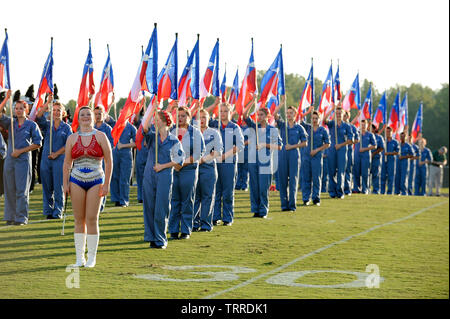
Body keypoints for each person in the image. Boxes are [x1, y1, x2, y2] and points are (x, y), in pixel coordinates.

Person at [63, 106, 112, 267]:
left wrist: (107, 184)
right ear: (78, 117)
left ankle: (91, 257)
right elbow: (67, 162)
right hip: (76, 179)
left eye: (88, 114)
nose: (85, 117)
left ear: (93, 117)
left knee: (92, 218)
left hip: (96, 179)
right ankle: (79, 258)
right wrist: (65, 183)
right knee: (78, 219)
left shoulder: (101, 136)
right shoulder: (71, 138)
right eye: (82, 114)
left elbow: (109, 161)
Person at [142, 110, 185, 249]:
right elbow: (144, 128)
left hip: (164, 175)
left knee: (162, 206)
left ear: (165, 121)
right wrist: (150, 110)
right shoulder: (152, 137)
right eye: (155, 119)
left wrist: (162, 166)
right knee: (149, 206)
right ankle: (151, 237)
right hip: (149, 174)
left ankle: (160, 239)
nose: (155, 121)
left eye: (158, 119)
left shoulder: (173, 140)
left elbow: (179, 160)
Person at [0, 91, 43, 226]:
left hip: (23, 160)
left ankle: (21, 218)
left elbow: (38, 143)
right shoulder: (10, 122)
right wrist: (7, 98)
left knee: (21, 190)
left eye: (21, 108)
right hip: (10, 161)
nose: (18, 111)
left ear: (27, 109)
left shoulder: (31, 125)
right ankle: (10, 217)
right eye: (16, 108)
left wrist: (21, 151)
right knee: (9, 190)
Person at [168, 106, 205, 240]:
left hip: (189, 169)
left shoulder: (195, 133)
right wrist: (174, 164)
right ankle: (173, 230)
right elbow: (168, 150)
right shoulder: (172, 132)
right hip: (174, 169)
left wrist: (182, 163)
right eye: (178, 116)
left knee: (187, 200)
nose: (180, 118)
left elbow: (198, 154)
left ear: (189, 117)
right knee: (174, 200)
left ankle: (185, 230)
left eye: (183, 115)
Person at [242, 101, 282, 218]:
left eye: (261, 115)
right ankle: (255, 209)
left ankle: (263, 210)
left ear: (268, 116)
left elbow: (279, 146)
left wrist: (265, 144)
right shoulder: (254, 127)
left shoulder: (272, 130)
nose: (259, 117)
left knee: (263, 187)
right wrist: (252, 100)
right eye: (258, 115)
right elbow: (244, 115)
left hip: (265, 162)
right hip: (253, 160)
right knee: (254, 187)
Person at [36, 96, 73, 219]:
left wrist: (56, 154)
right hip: (46, 160)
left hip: (59, 160)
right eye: (54, 110)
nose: (56, 113)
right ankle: (48, 211)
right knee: (46, 187)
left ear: (63, 113)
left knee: (58, 187)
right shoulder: (47, 125)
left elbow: (68, 144)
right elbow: (38, 116)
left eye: (59, 110)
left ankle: (58, 211)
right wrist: (47, 103)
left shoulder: (66, 128)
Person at [208, 102, 244, 225]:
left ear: (230, 112)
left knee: (228, 192)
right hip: (215, 163)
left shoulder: (234, 127)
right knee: (216, 191)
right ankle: (215, 216)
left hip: (229, 162)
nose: (223, 113)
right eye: (221, 111)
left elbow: (239, 146)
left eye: (225, 111)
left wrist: (224, 156)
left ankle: (228, 218)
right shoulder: (213, 125)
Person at [273, 102, 308, 212]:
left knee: (293, 180)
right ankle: (284, 205)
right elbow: (274, 114)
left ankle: (292, 205)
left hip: (293, 154)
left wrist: (293, 146)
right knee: (282, 180)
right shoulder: (283, 125)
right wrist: (282, 103)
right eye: (287, 113)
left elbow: (305, 143)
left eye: (291, 113)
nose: (288, 115)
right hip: (283, 154)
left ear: (295, 114)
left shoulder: (299, 128)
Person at [193, 108, 223, 232]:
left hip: (208, 168)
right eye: (199, 117)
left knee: (207, 197)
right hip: (193, 168)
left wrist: (203, 159)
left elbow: (218, 151)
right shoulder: (192, 133)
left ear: (209, 118)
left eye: (204, 117)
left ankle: (205, 224)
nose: (202, 120)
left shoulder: (214, 133)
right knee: (195, 196)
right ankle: (193, 224)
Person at [300, 110, 330, 206]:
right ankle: (306, 198)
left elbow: (327, 144)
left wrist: (317, 150)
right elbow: (300, 119)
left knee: (317, 178)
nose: (314, 120)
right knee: (306, 178)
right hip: (306, 156)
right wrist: (308, 111)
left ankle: (316, 198)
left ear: (319, 119)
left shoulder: (323, 130)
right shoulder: (307, 127)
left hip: (317, 157)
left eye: (316, 118)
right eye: (313, 118)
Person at [324, 105, 354, 199]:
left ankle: (340, 192)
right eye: (336, 113)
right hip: (332, 150)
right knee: (331, 171)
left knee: (341, 172)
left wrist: (341, 145)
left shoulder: (347, 126)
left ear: (343, 114)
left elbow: (351, 140)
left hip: (342, 150)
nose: (338, 115)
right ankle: (332, 191)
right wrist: (331, 110)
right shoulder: (332, 124)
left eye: (340, 113)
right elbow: (324, 120)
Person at [110, 120, 136, 207]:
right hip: (115, 154)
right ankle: (116, 199)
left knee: (124, 178)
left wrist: (123, 146)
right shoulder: (115, 125)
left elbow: (137, 143)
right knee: (114, 177)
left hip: (126, 154)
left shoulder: (131, 128)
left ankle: (124, 200)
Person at [93, 105, 114, 211]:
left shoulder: (108, 129)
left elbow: (111, 144)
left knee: (102, 181)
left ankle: (101, 205)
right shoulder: (91, 128)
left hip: (103, 159)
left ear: (104, 115)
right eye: (96, 114)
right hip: (92, 160)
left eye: (99, 114)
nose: (97, 116)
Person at [352, 119, 376, 194]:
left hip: (365, 156)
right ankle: (356, 188)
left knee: (365, 173)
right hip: (357, 155)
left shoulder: (370, 135)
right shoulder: (357, 133)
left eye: (364, 125)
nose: (363, 126)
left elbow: (374, 146)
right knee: (356, 172)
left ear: (367, 125)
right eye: (361, 125)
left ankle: (365, 188)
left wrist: (365, 149)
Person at [343, 110, 359, 196]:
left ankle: (347, 189)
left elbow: (357, 139)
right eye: (343, 116)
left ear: (348, 117)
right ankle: (340, 188)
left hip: (348, 151)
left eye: (345, 116)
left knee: (348, 170)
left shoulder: (352, 127)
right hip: (340, 151)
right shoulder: (339, 127)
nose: (344, 117)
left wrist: (349, 142)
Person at [381, 126, 399, 195]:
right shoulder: (383, 141)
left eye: (389, 132)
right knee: (383, 176)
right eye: (386, 132)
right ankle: (382, 191)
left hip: (391, 161)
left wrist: (389, 153)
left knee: (390, 177)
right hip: (383, 160)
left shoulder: (395, 142)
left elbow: (397, 152)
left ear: (392, 132)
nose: (387, 133)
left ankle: (390, 191)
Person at [395, 131, 414, 196]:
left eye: (404, 136)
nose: (402, 138)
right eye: (401, 136)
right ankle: (397, 192)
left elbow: (412, 155)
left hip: (404, 163)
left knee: (403, 179)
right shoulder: (398, 144)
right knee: (397, 178)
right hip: (398, 163)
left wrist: (404, 157)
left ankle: (404, 193)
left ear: (406, 137)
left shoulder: (408, 145)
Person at [370, 124, 385, 194]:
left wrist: (373, 153)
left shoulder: (379, 137)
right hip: (367, 158)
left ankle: (376, 190)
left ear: (374, 129)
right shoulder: (367, 136)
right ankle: (367, 189)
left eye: (371, 128)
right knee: (366, 174)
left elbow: (382, 147)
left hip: (376, 158)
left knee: (376, 175)